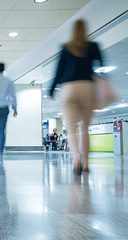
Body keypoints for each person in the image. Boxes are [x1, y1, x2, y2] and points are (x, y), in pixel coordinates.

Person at [49, 19, 102, 175]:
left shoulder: (66, 48)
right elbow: (100, 65)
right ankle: (86, 163)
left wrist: (51, 89)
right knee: (85, 128)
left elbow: (58, 72)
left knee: (71, 128)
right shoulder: (93, 46)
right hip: (87, 86)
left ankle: (76, 161)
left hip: (69, 89)